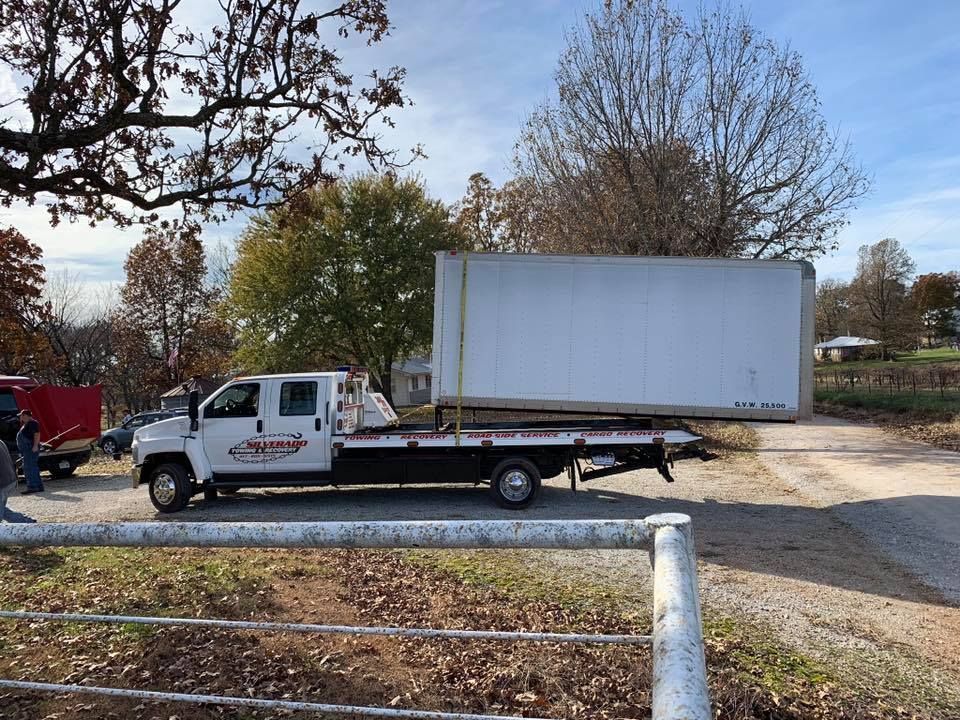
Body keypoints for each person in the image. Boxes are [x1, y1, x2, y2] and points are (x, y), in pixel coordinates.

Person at [0, 441, 35, 523]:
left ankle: (26, 523)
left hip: (2, 483)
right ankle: (26, 521)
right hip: (10, 480)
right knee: (2, 510)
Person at [16, 409, 44, 494]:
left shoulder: (32, 423)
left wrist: (35, 446)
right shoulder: (26, 424)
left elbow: (37, 434)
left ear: (25, 415)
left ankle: (32, 486)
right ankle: (38, 486)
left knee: (29, 467)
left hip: (30, 448)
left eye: (21, 416)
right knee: (32, 467)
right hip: (27, 450)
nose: (20, 418)